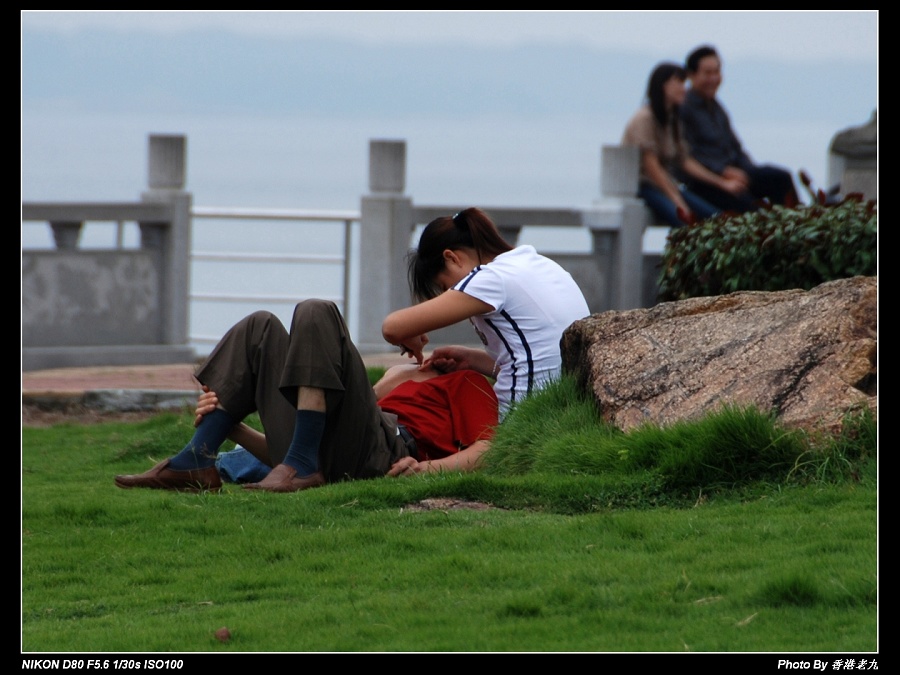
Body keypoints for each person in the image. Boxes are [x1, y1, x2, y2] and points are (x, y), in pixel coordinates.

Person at [114, 299, 499, 493]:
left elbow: (489, 448)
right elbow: (305, 446)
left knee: (317, 310)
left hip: (388, 451)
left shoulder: (466, 381)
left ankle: (296, 466)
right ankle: (196, 458)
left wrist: (427, 469)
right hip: (324, 457)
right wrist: (232, 426)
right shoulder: (400, 375)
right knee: (259, 327)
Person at [381, 207, 590, 418]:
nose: (450, 293)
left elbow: (392, 328)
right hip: (564, 409)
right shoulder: (539, 264)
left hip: (520, 420)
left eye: (445, 286)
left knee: (402, 377)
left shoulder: (489, 278)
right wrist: (472, 360)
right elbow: (542, 365)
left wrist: (413, 337)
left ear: (452, 258)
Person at [622, 62, 745, 228]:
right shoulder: (644, 119)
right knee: (684, 222)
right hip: (644, 187)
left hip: (666, 185)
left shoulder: (672, 119)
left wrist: (721, 183)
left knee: (718, 218)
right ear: (663, 86)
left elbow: (685, 161)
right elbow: (652, 167)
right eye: (679, 83)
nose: (684, 89)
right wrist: (677, 201)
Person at [679, 44, 799, 213]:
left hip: (735, 173)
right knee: (750, 207)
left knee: (780, 178)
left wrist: (749, 172)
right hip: (707, 183)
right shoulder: (684, 108)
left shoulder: (716, 107)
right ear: (691, 75)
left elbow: (735, 147)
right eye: (707, 73)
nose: (714, 78)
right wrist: (724, 171)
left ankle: (797, 227)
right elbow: (687, 155)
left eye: (717, 72)